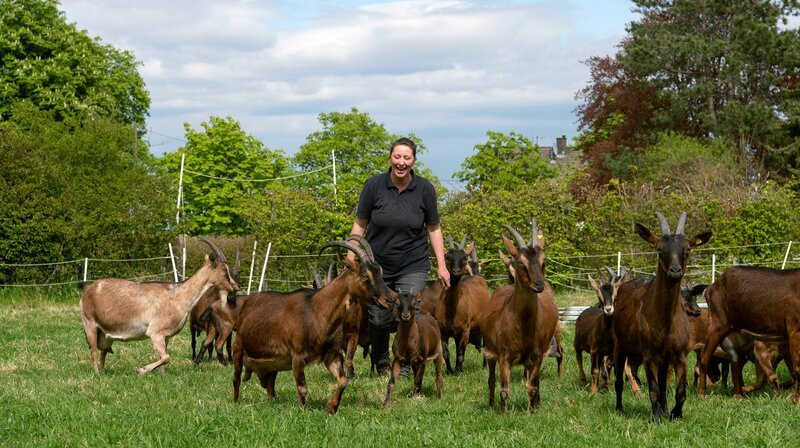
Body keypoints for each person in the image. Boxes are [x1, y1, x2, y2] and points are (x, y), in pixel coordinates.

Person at [348, 137, 450, 374]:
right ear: (390, 158)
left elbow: (433, 229)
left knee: (408, 312)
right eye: (397, 157)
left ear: (414, 161)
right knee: (378, 318)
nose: (401, 162)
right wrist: (351, 258)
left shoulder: (424, 189)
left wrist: (442, 265)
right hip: (378, 265)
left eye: (407, 157)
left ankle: (405, 364)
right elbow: (360, 224)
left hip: (413, 263)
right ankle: (382, 361)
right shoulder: (373, 186)